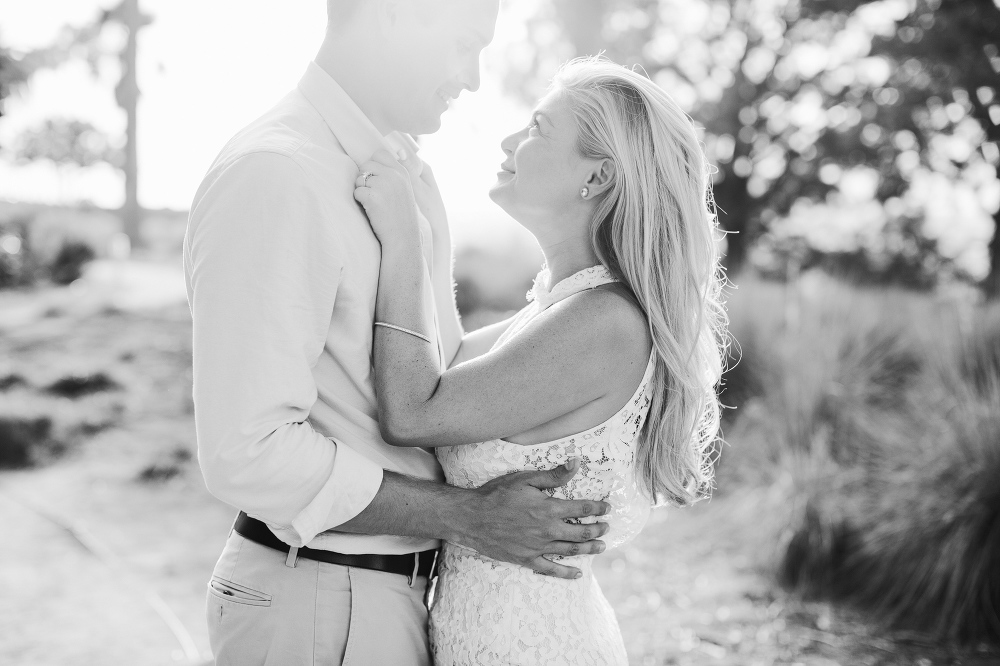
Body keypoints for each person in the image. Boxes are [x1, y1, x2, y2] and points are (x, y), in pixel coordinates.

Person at [183, 3, 613, 664]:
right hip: (321, 603)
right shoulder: (279, 173)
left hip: (386, 600)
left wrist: (588, 318)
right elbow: (247, 451)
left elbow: (434, 376)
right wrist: (467, 516)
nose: (471, 78)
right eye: (464, 44)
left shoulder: (406, 173)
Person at [353, 55, 729, 665]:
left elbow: (413, 411)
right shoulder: (557, 309)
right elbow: (436, 362)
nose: (509, 141)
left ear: (598, 176)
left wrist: (404, 243)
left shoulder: (603, 323)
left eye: (536, 129)